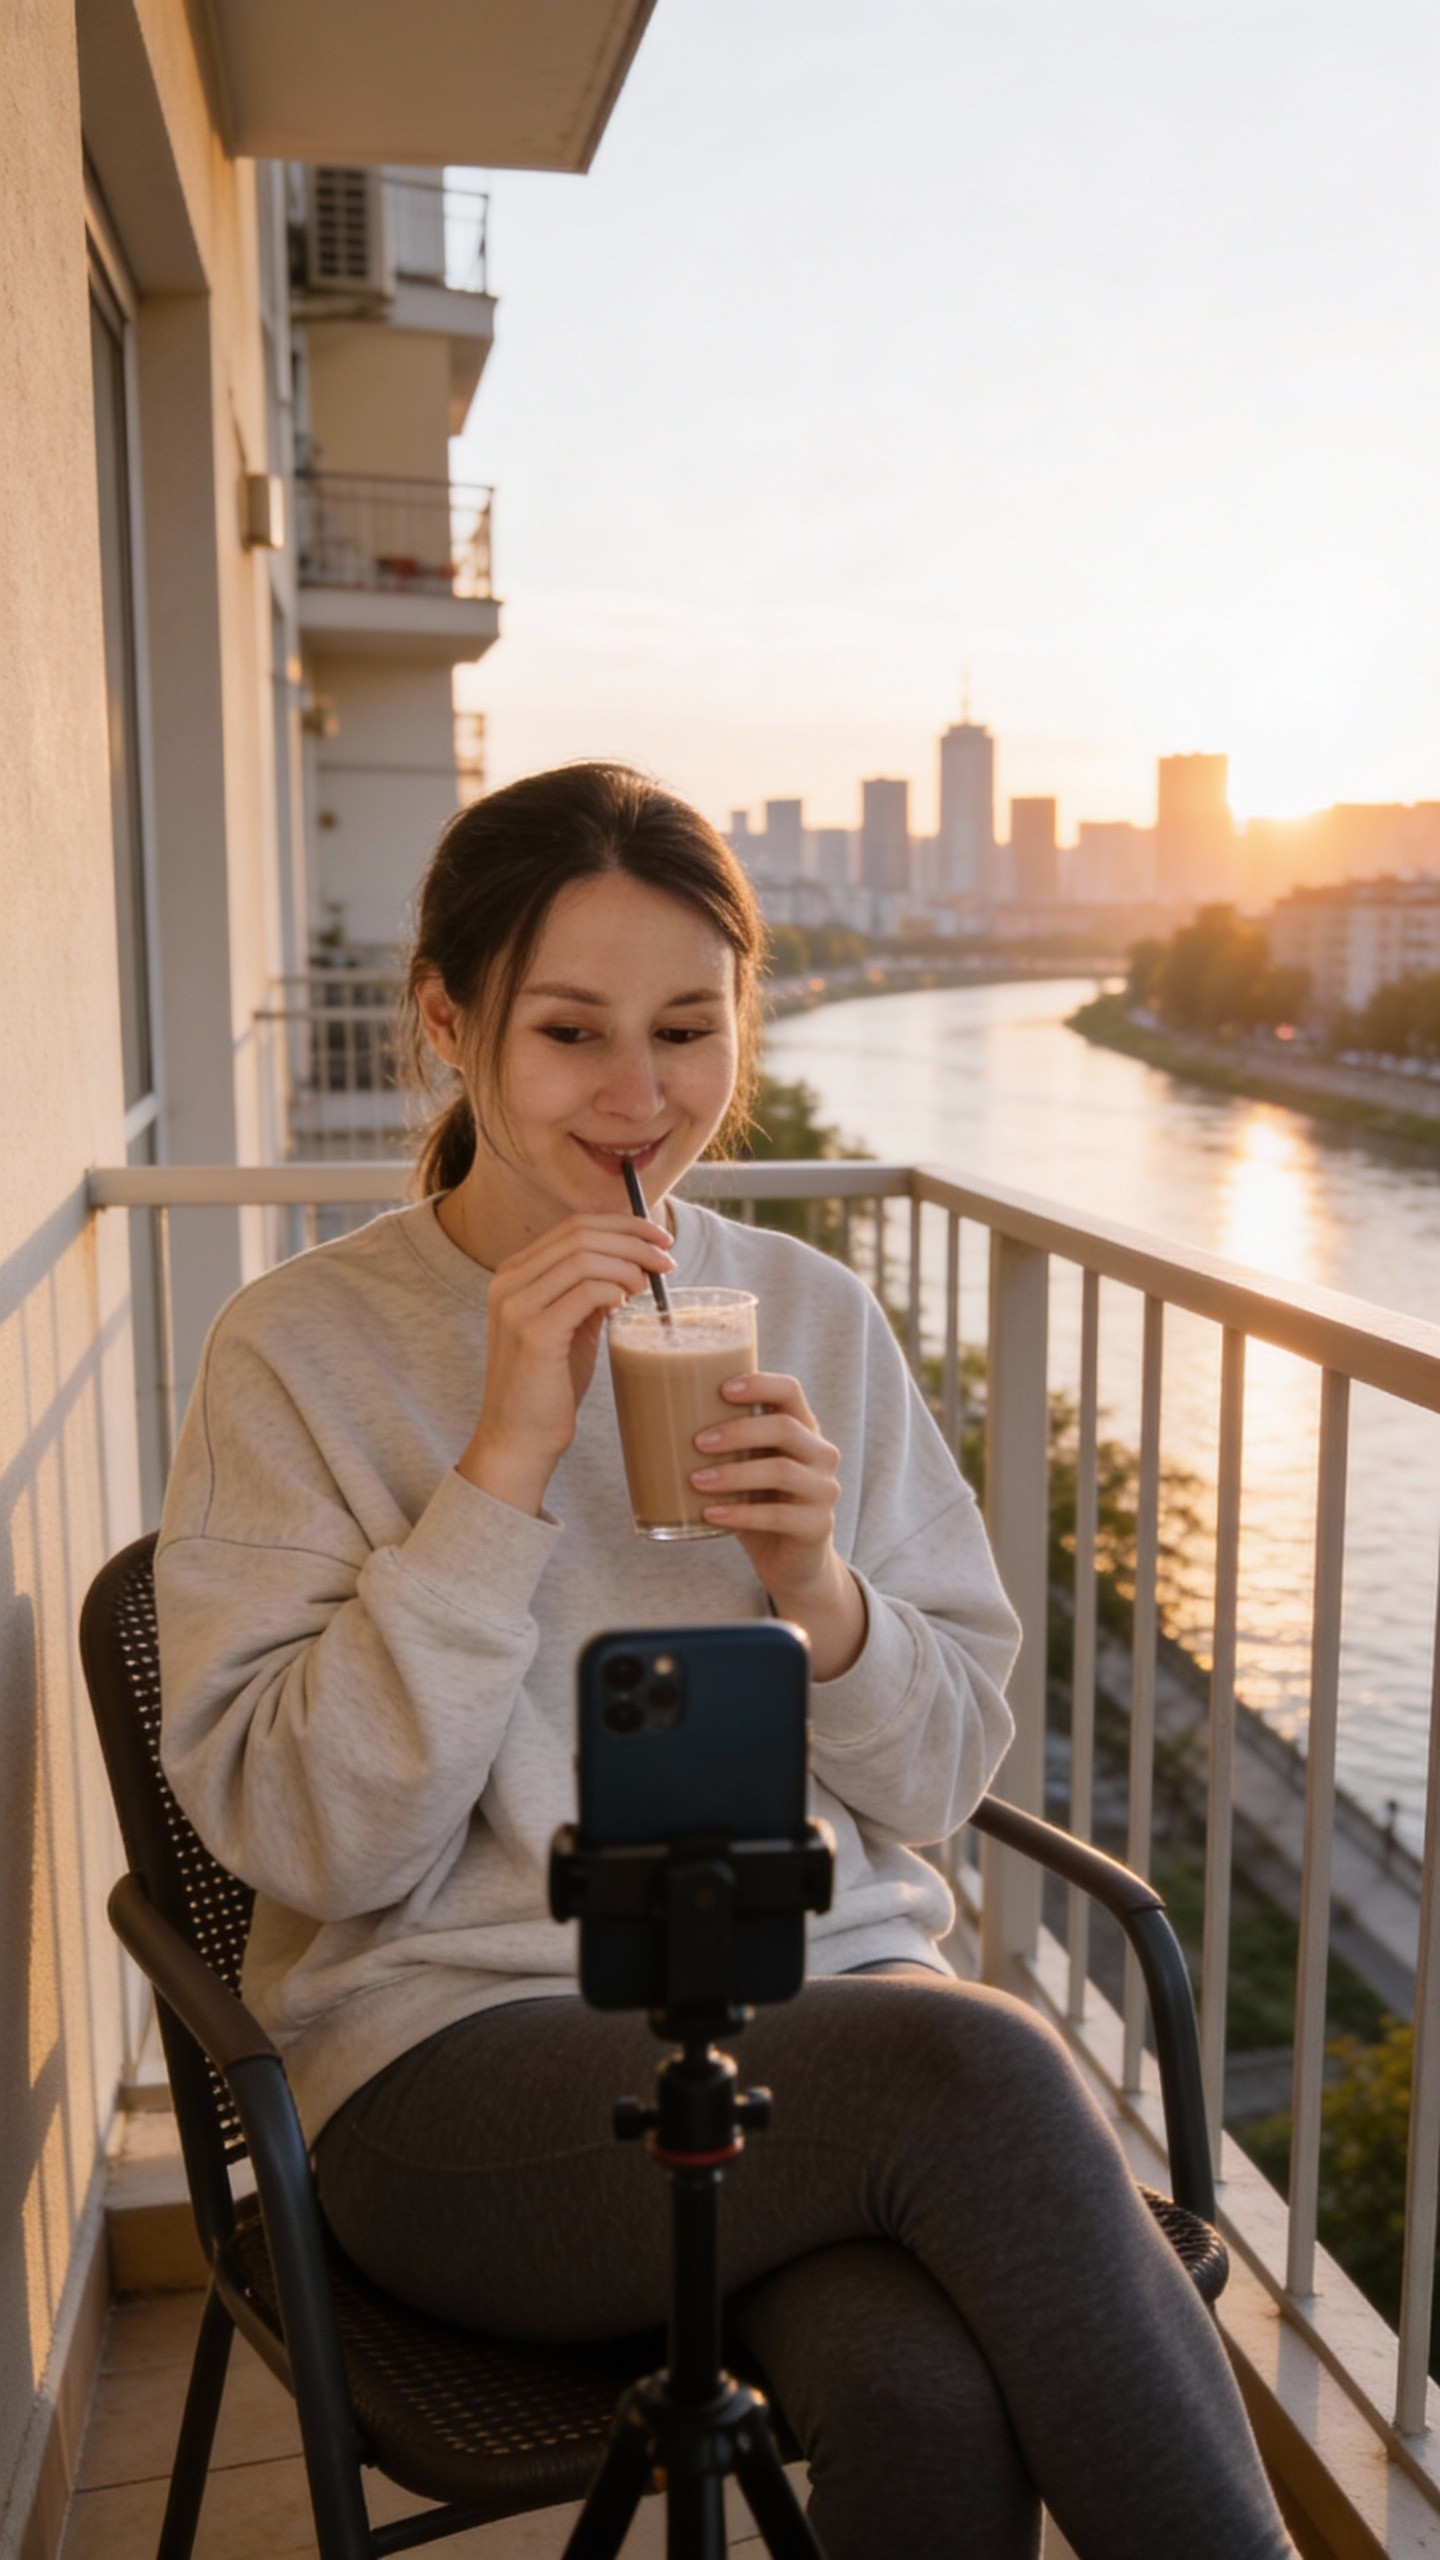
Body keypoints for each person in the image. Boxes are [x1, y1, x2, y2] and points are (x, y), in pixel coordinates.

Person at [156, 764, 1294, 2560]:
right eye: (571, 1033)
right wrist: (502, 1468)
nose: (641, 1093)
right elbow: (321, 1848)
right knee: (990, 2072)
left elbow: (935, 1786)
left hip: (821, 2038)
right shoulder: (298, 1353)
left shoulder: (809, 1319)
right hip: (457, 2072)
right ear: (452, 1026)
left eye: (689, 1029)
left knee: (924, 2392)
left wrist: (818, 1588)